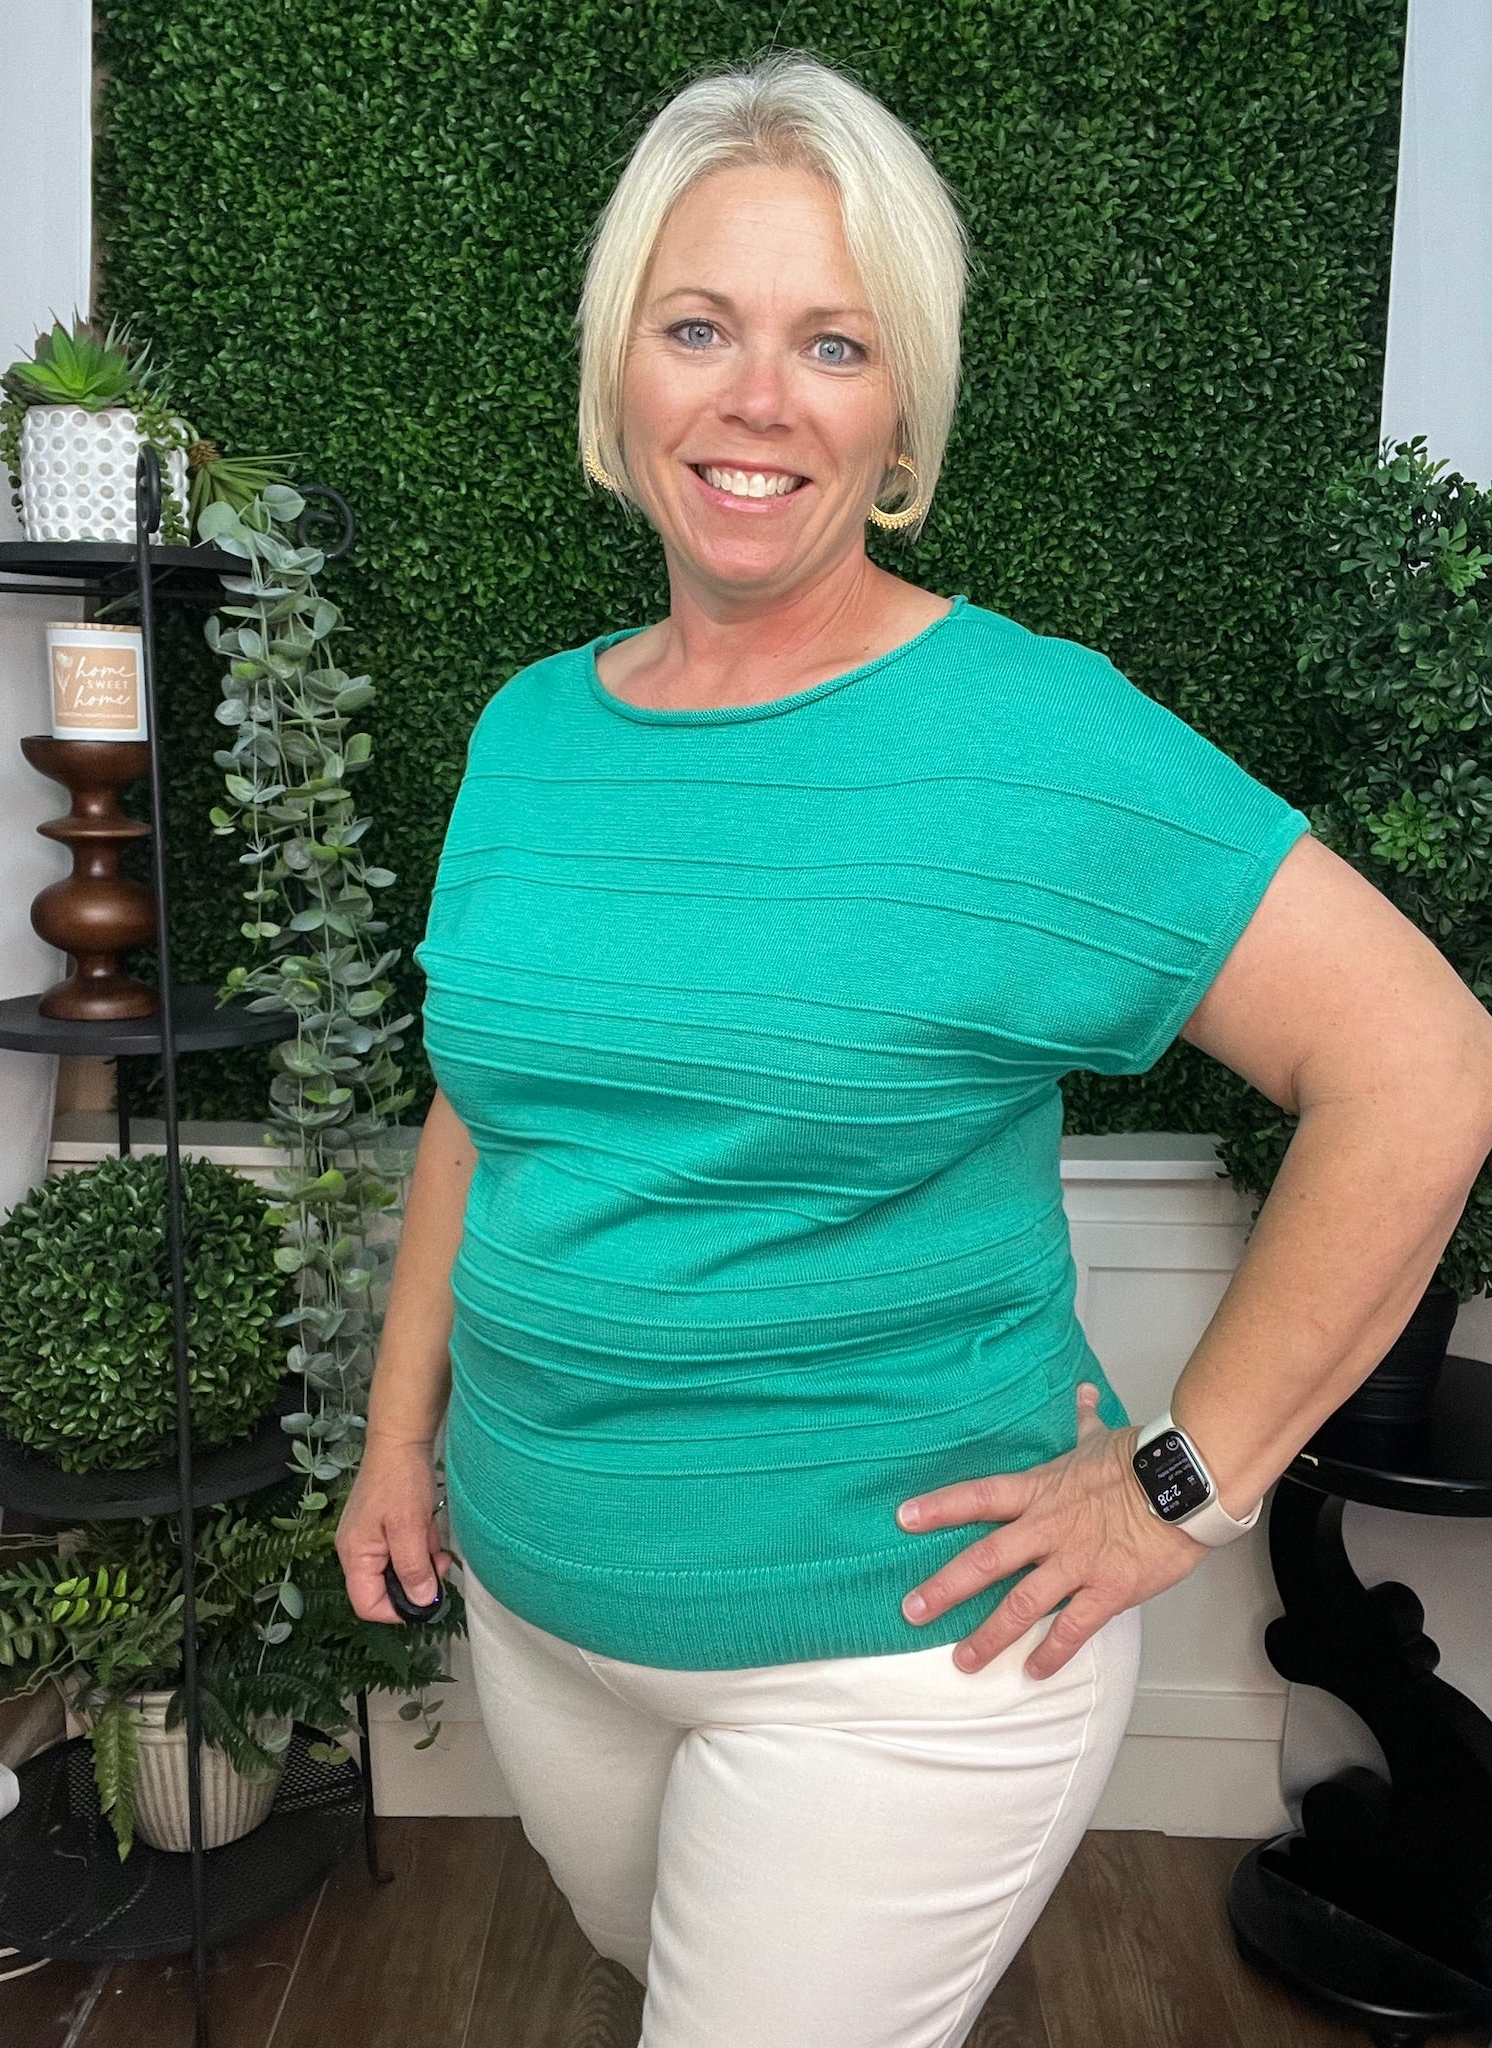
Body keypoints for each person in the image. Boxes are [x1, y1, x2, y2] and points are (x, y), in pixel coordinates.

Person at [336, 51, 1492, 2047]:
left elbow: (1426, 1063)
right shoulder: (532, 728)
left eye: (833, 341)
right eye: (699, 326)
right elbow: (492, 1103)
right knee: (648, 1974)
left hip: (891, 1669)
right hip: (540, 1608)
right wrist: (393, 1432)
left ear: (898, 412)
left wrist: (1176, 1488)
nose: (758, 396)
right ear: (622, 367)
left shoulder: (1027, 736)